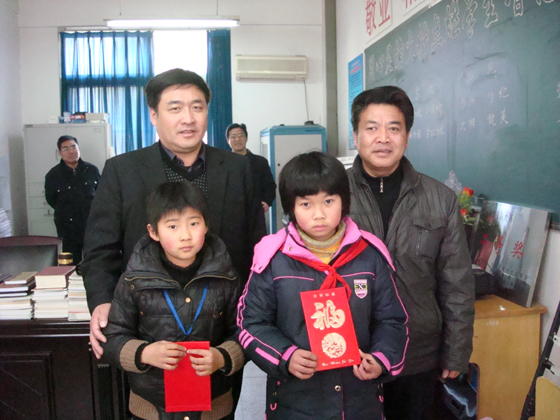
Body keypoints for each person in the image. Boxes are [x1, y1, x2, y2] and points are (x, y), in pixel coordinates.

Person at [81, 68, 266, 360]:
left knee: (221, 391)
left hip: (222, 330)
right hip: (146, 330)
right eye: (175, 108)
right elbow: (100, 248)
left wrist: (254, 309)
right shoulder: (122, 170)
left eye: (197, 107)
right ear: (154, 115)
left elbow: (257, 244)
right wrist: (102, 301)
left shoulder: (237, 168)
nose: (188, 118)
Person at [237, 151, 408, 420]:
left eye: (328, 201)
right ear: (291, 207)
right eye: (306, 204)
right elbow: (250, 323)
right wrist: (286, 356)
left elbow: (393, 320)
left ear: (344, 201)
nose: (319, 214)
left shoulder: (369, 255)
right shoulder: (273, 259)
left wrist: (381, 359)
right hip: (295, 404)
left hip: (359, 403)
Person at [347, 85, 475, 420]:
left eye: (394, 128)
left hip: (417, 352)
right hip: (350, 351)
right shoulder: (332, 196)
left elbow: (457, 283)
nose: (383, 138)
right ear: (355, 136)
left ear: (407, 137)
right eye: (371, 128)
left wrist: (456, 352)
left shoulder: (440, 199)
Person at [101, 182, 244, 420]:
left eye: (194, 223)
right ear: (153, 232)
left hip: (213, 407)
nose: (185, 235)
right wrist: (144, 353)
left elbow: (245, 334)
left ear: (206, 225)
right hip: (152, 408)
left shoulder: (227, 278)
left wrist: (222, 357)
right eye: (173, 226)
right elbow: (111, 339)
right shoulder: (133, 281)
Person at [45, 135, 100, 265]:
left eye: (73, 147)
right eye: (65, 148)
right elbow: (51, 199)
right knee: (70, 262)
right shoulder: (53, 175)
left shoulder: (91, 170)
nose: (71, 151)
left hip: (91, 224)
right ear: (59, 153)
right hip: (67, 226)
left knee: (94, 259)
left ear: (78, 148)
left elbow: (101, 194)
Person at [226, 123, 276, 213]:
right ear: (227, 141)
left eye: (241, 135)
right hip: (230, 213)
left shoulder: (260, 162)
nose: (237, 139)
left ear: (246, 138)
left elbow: (270, 186)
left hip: (255, 212)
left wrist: (266, 201)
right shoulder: (223, 164)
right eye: (233, 137)